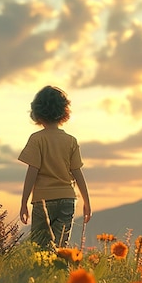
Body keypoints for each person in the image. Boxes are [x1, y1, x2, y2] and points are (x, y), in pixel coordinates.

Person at [18, 85, 91, 249]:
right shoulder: (71, 141)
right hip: (67, 200)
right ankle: (60, 274)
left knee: (40, 247)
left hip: (42, 201)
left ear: (37, 112)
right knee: (60, 247)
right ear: (63, 112)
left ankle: (41, 274)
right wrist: (87, 201)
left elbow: (32, 173)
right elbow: (78, 173)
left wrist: (24, 203)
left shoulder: (36, 139)